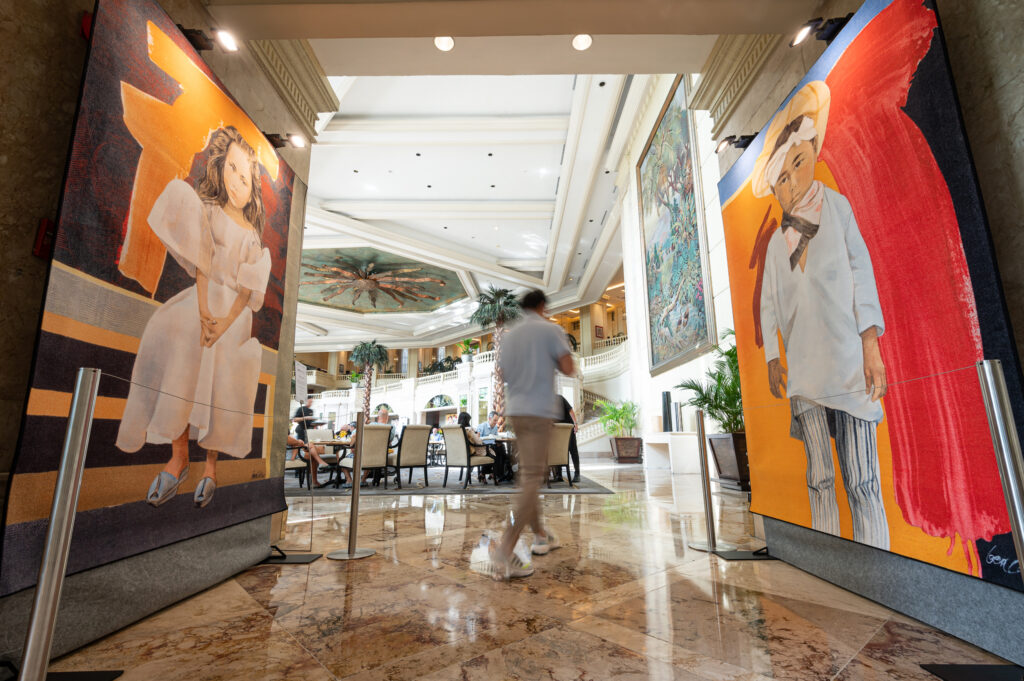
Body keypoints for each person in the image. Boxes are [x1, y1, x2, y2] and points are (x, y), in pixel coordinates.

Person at [754, 81, 889, 549]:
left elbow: (862, 273)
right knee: (820, 476)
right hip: (805, 372)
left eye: (797, 163)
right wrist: (773, 357)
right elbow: (768, 304)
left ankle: (876, 560)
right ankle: (828, 553)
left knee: (863, 478)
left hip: (848, 361)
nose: (792, 182)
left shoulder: (838, 209)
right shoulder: (776, 246)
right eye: (781, 179)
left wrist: (870, 344)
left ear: (813, 150)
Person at [117, 126, 272, 509]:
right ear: (220, 167)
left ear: (252, 186)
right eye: (232, 168)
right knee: (173, 330)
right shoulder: (210, 212)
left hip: (234, 314)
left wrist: (224, 322)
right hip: (204, 302)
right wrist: (203, 311)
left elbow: (248, 290)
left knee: (221, 367)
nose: (237, 180)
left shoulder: (252, 237)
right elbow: (203, 264)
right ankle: (179, 454)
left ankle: (211, 465)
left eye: (245, 176)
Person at [490, 289, 575, 578]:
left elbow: (502, 374)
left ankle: (540, 534)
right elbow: (568, 367)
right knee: (531, 479)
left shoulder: (510, 336)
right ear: (541, 306)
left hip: (516, 412)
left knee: (529, 474)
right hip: (539, 411)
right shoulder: (550, 330)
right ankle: (505, 548)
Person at [458, 411, 496, 481]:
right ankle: (487, 473)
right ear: (467, 420)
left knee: (491, 453)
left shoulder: (457, 430)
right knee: (493, 454)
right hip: (472, 452)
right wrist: (478, 437)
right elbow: (478, 442)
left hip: (461, 453)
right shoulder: (469, 429)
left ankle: (483, 474)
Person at [477, 411, 511, 483]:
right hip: (483, 448)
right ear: (489, 419)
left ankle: (486, 473)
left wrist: (498, 441)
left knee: (501, 449)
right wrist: (487, 438)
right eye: (494, 420)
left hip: (492, 447)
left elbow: (496, 438)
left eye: (497, 420)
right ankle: (494, 473)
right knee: (498, 452)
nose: (496, 422)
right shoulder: (482, 426)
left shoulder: (495, 427)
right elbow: (478, 439)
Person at [552, 396, 580, 483]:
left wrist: (575, 423)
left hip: (568, 428)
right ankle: (559, 475)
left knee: (573, 450)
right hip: (556, 430)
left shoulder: (559, 398)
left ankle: (577, 474)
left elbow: (570, 410)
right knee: (558, 451)